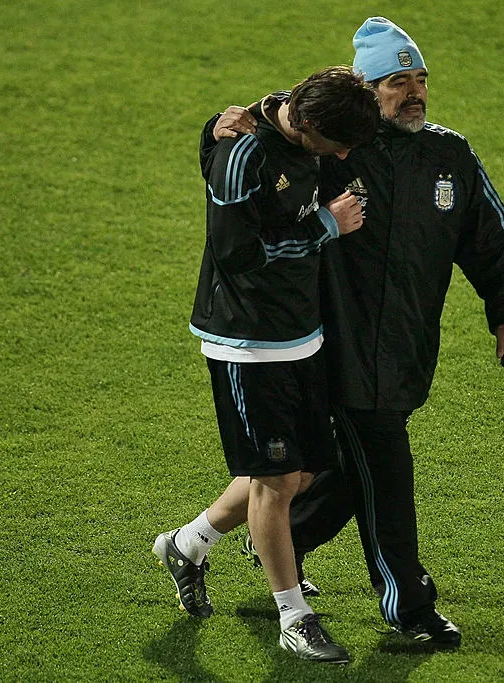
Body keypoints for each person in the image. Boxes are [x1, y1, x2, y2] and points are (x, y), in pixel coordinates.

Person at [208, 17, 504, 649]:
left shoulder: (450, 155)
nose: (413, 93)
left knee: (332, 470)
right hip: (330, 346)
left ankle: (252, 540)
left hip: (406, 346)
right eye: (396, 82)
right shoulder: (334, 153)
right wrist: (230, 122)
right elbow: (282, 131)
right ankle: (408, 606)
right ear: (366, 87)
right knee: (383, 469)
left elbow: (490, 238)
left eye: (420, 80)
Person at [153, 65, 380, 664]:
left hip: (301, 330)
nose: (346, 154)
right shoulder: (244, 154)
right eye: (338, 145)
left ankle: (189, 542)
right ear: (306, 126)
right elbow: (237, 253)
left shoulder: (297, 113)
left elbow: (328, 114)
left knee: (297, 471)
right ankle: (293, 616)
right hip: (247, 340)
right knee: (277, 480)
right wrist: (327, 226)